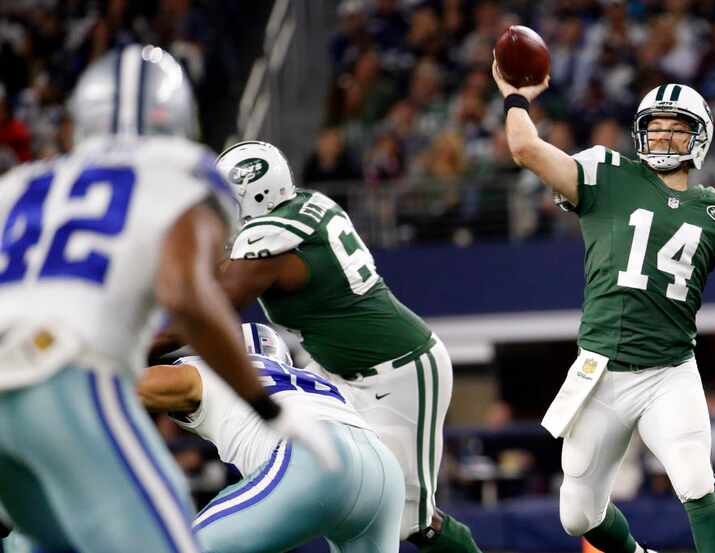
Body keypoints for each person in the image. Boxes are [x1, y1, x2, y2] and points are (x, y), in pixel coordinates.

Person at [0, 45, 333, 552]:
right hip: (63, 375)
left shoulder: (22, 182)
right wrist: (268, 409)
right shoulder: (182, 170)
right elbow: (186, 294)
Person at [493, 59, 715, 553]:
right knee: (577, 516)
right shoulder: (605, 173)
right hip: (601, 368)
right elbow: (525, 147)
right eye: (654, 127)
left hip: (668, 371)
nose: (662, 138)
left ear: (698, 139)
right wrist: (515, 96)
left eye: (676, 129)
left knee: (697, 482)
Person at [162, 139, 480, 553]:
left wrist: (139, 343)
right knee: (334, 485)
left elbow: (210, 309)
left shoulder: (270, 241)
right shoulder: (299, 208)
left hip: (401, 371)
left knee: (410, 521)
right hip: (337, 370)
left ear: (252, 194)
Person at [137, 323, 404, 553]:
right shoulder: (312, 380)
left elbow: (107, 385)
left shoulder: (204, 371)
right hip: (383, 471)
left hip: (311, 462)